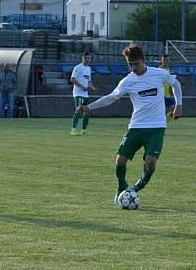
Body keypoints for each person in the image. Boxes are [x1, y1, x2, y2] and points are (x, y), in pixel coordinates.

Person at [76, 44, 182, 206]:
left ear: (143, 61)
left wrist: (179, 105)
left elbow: (176, 84)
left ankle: (137, 187)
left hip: (156, 127)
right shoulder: (128, 81)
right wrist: (89, 107)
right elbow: (111, 98)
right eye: (130, 64)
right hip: (136, 126)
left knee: (151, 162)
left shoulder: (159, 74)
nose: (133, 68)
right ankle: (121, 188)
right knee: (120, 160)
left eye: (136, 64)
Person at [70, 51, 95, 135]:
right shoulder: (78, 67)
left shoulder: (89, 68)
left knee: (87, 111)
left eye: (88, 58)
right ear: (82, 58)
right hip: (78, 93)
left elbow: (89, 81)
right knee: (79, 110)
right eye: (85, 58)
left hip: (85, 94)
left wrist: (93, 87)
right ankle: (73, 130)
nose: (87, 59)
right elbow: (72, 79)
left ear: (90, 58)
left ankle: (83, 130)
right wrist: (82, 87)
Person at [159, 53, 176, 120]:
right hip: (161, 95)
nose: (165, 61)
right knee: (160, 112)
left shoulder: (168, 69)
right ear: (161, 60)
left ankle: (165, 122)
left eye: (167, 60)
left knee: (173, 109)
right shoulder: (159, 70)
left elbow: (169, 83)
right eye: (164, 60)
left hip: (167, 94)